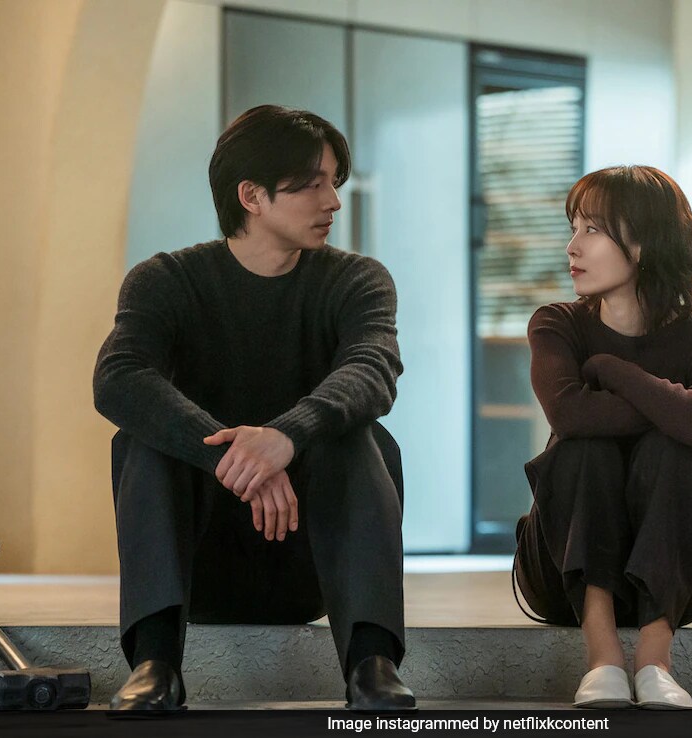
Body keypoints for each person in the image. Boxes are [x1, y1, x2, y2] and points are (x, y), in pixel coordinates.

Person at [93, 105, 415, 715]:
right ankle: (155, 666)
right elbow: (118, 378)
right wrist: (236, 458)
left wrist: (285, 437)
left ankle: (372, 666)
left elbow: (372, 370)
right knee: (141, 439)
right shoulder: (166, 280)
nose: (333, 202)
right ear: (252, 196)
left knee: (363, 436)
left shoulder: (357, 280)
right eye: (312, 184)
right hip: (196, 565)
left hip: (310, 560)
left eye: (334, 183)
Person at [512, 165, 692, 710]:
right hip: (562, 570)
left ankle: (655, 659)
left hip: (684, 576)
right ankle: (602, 657)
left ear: (643, 244)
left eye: (592, 229)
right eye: (574, 228)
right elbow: (570, 415)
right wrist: (677, 413)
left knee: (675, 450)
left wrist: (610, 370)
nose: (572, 246)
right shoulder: (557, 325)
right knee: (587, 447)